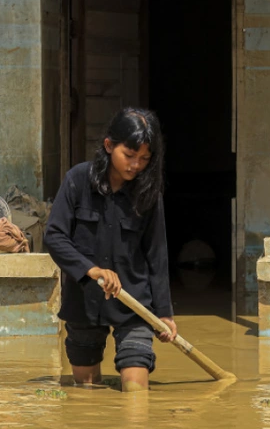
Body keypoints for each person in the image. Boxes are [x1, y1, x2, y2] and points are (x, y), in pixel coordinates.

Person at [44, 107, 176, 392]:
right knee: (86, 389)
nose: (135, 165)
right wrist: (90, 270)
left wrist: (164, 313)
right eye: (129, 156)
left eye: (144, 159)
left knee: (136, 390)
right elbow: (54, 236)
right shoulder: (78, 180)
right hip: (84, 302)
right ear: (108, 145)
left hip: (134, 305)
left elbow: (157, 253)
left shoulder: (149, 192)